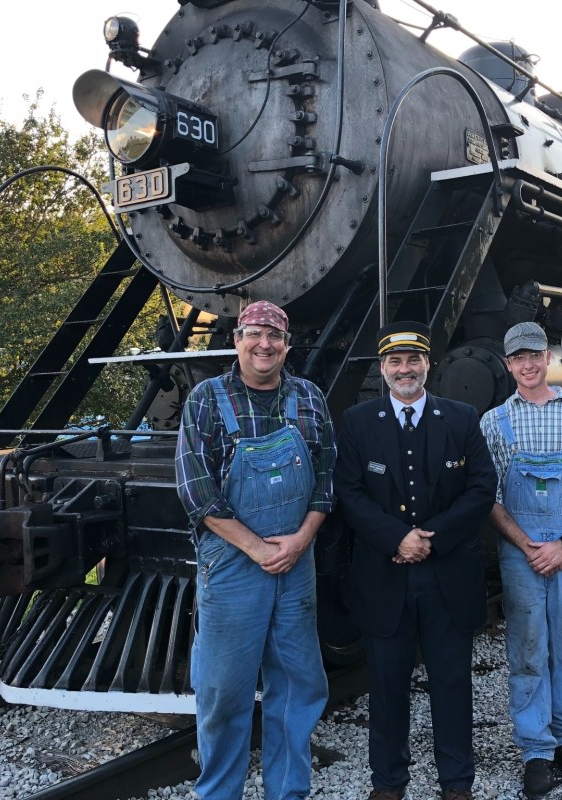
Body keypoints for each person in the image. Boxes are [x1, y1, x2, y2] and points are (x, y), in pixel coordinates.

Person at [175, 300, 336, 800]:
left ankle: (288, 792)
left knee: (298, 685)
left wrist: (302, 538)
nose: (264, 344)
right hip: (231, 564)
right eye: (254, 334)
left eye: (274, 335)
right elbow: (195, 489)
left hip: (296, 559)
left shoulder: (309, 397)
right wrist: (255, 547)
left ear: (287, 345)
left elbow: (327, 481)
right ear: (238, 340)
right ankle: (219, 794)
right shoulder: (205, 399)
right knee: (224, 692)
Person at [334, 321, 498, 800]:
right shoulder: (358, 422)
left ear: (429, 364)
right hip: (385, 573)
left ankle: (456, 782)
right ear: (382, 368)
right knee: (386, 686)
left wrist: (431, 538)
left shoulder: (463, 417)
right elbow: (349, 490)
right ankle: (388, 782)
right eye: (394, 362)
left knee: (452, 682)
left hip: (449, 573)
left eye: (413, 361)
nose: (404, 370)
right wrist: (397, 538)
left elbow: (481, 488)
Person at [479, 321, 562, 799]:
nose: (528, 365)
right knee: (528, 650)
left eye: (535, 355)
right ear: (508, 364)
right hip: (521, 553)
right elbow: (491, 498)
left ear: (548, 356)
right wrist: (527, 545)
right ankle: (535, 749)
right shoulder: (493, 423)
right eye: (518, 358)